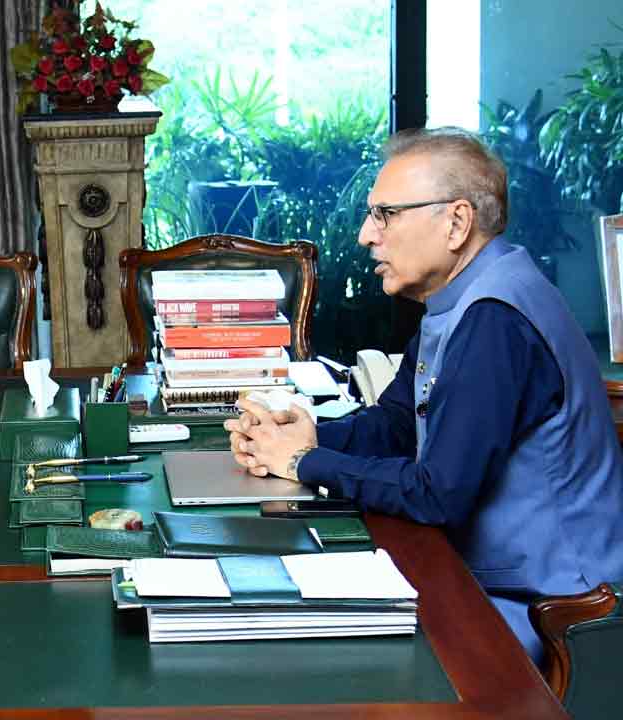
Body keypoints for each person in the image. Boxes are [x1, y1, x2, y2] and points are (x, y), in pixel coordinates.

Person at [225, 127, 623, 663]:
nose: (366, 235)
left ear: (456, 222)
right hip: (497, 579)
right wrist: (308, 435)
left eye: (385, 214)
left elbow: (437, 494)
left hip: (551, 609)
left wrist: (303, 462)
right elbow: (397, 424)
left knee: (320, 653)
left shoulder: (494, 319)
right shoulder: (463, 299)